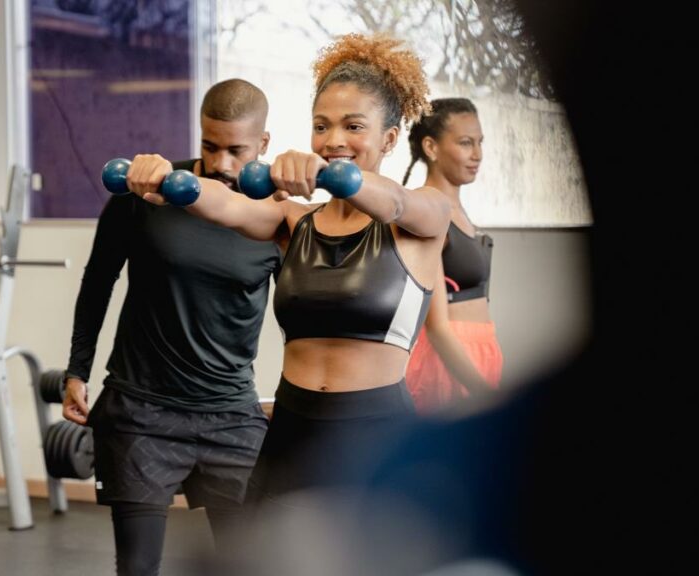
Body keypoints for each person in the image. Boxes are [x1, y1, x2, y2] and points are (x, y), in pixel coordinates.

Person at [122, 33, 450, 515]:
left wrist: (335, 176)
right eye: (321, 126)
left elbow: (397, 202)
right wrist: (170, 181)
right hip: (292, 432)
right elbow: (228, 206)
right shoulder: (294, 221)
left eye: (353, 126)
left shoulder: (424, 215)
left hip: (376, 435)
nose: (334, 140)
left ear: (389, 138)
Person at [61, 79, 280, 576]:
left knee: (248, 564)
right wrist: (77, 369)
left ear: (263, 143)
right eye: (210, 145)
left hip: (230, 412)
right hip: (141, 410)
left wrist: (299, 397)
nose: (221, 163)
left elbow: (300, 313)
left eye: (237, 150)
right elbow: (98, 281)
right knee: (137, 567)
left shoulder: (274, 215)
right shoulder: (147, 192)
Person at [401, 98, 502, 411]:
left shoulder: (458, 211)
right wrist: (485, 394)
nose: (477, 154)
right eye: (465, 143)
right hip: (447, 364)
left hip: (480, 352)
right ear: (431, 147)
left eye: (480, 143)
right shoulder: (428, 212)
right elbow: (437, 328)